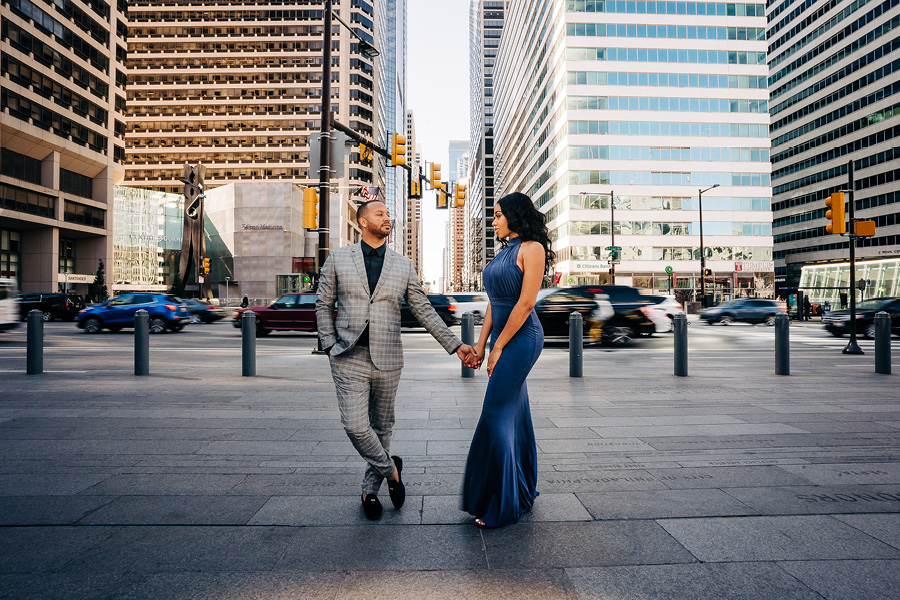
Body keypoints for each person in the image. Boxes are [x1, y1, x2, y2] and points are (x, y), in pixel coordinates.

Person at [316, 200, 476, 521]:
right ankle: (391, 471)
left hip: (388, 357)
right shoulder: (338, 258)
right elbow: (323, 303)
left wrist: (456, 346)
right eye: (380, 214)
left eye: (389, 215)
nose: (388, 218)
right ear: (363, 222)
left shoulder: (402, 265)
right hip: (348, 356)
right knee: (355, 426)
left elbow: (423, 310)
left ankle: (369, 491)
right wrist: (329, 344)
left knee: (383, 426)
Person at [461, 191, 554, 529]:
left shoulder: (533, 249)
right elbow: (494, 303)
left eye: (498, 215)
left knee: (496, 413)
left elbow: (526, 303)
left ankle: (501, 506)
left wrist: (499, 346)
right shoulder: (503, 253)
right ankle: (522, 491)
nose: (494, 221)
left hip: (523, 339)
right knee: (517, 415)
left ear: (514, 215)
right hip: (502, 339)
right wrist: (482, 344)